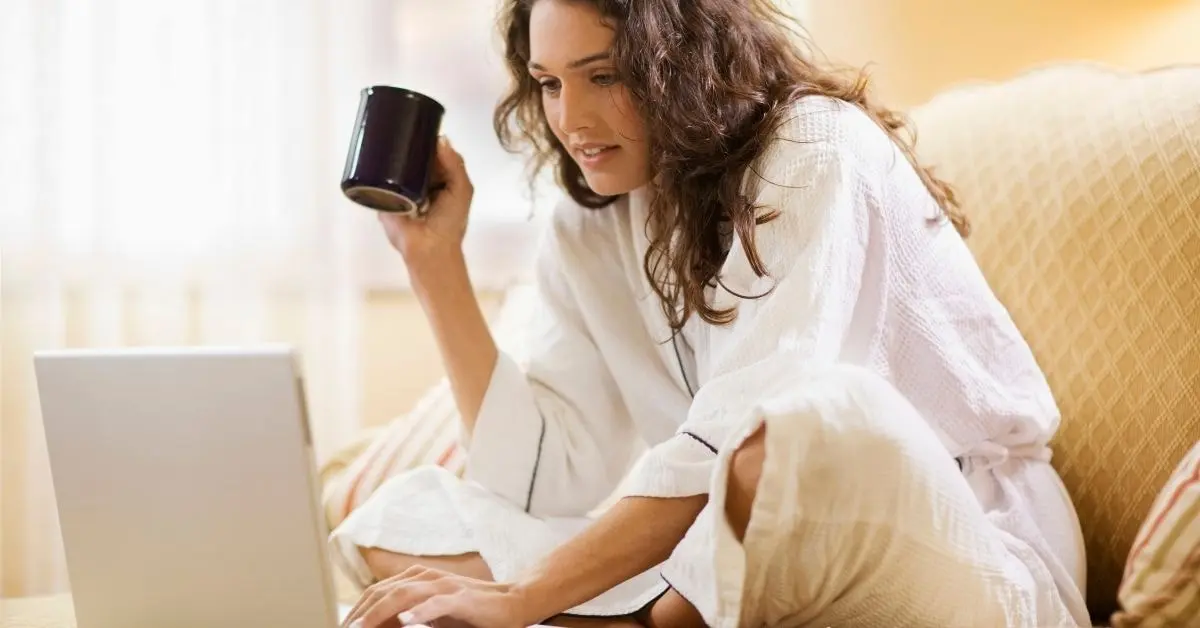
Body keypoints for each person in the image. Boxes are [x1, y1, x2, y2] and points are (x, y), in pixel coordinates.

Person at [334, 0, 1090, 626]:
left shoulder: (814, 146)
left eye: (604, 76)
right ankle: (645, 612)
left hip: (954, 534)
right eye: (550, 83)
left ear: (682, 62)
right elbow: (545, 480)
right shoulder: (592, 218)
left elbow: (742, 432)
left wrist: (526, 595)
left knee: (790, 431)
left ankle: (635, 615)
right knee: (397, 524)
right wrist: (433, 265)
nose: (574, 119)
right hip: (728, 538)